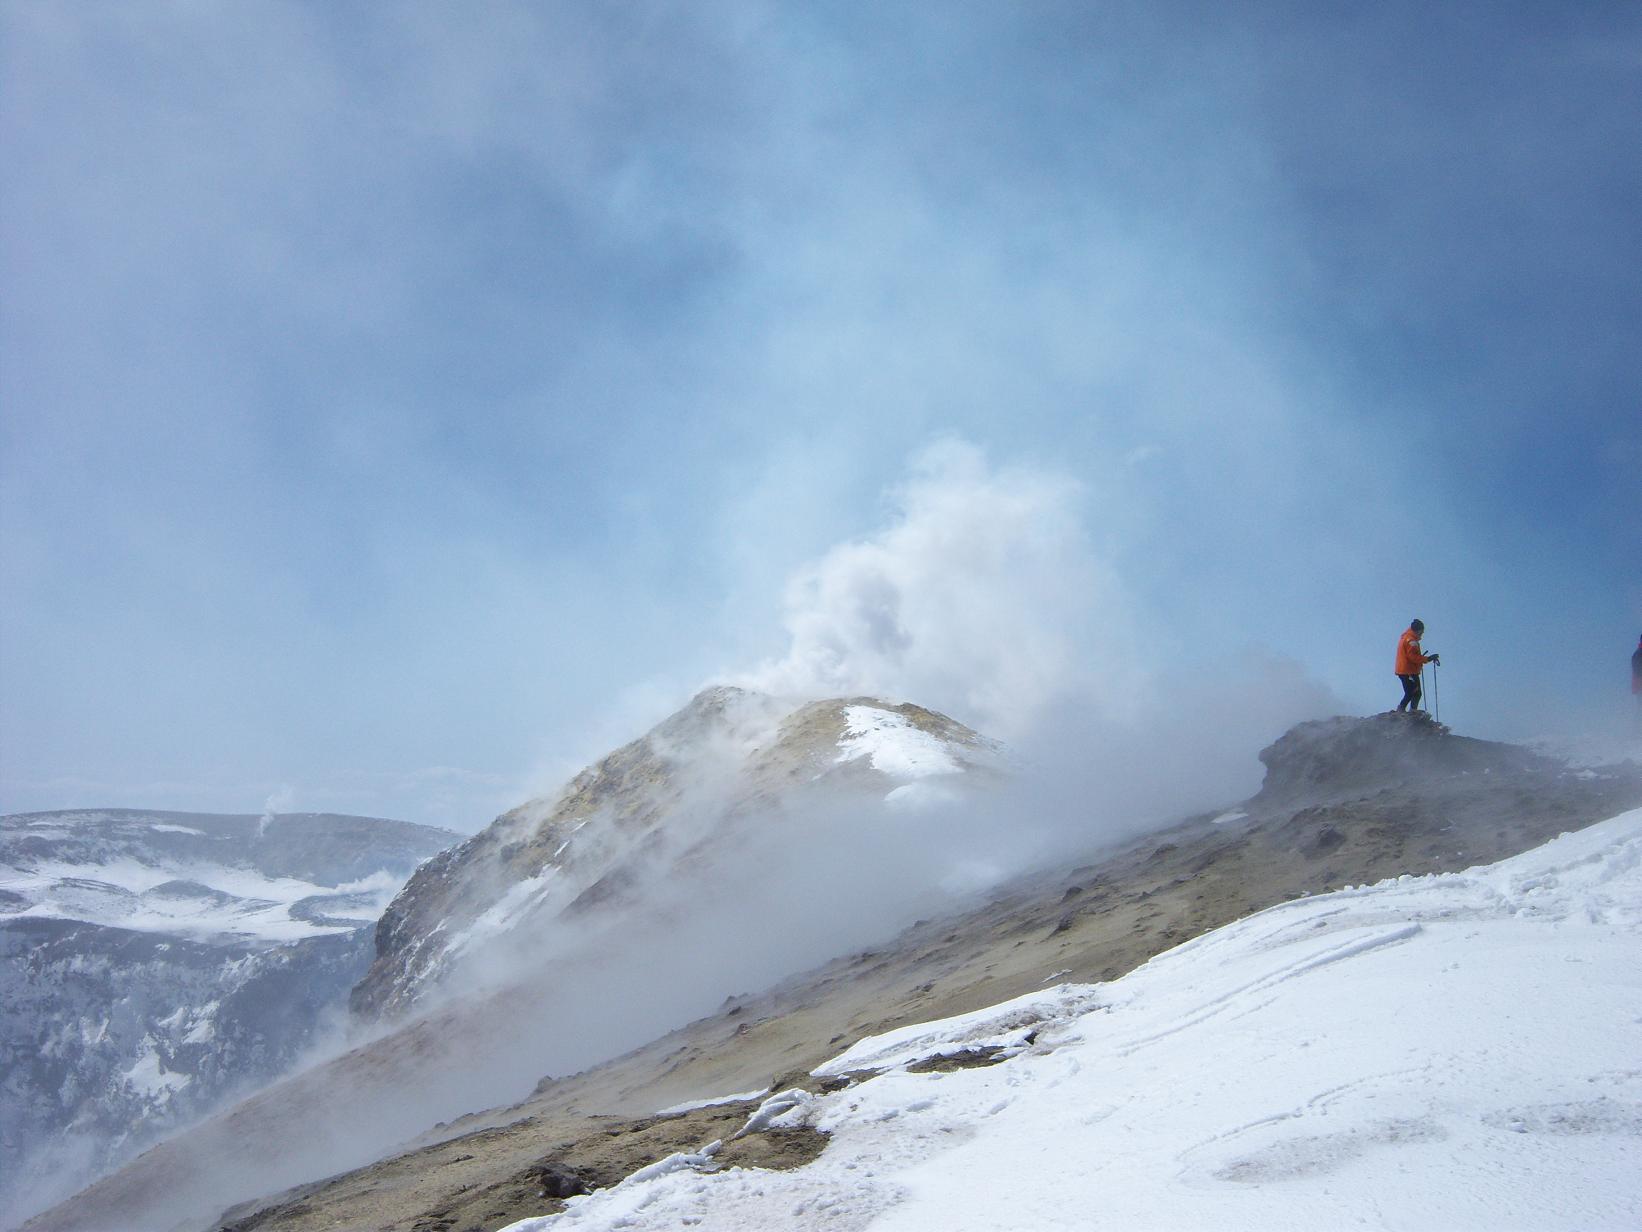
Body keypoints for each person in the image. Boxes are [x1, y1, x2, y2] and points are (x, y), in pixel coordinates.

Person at [1394, 619, 1439, 713]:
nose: (1422, 633)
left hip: (1405, 670)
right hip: (1408, 670)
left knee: (1413, 692)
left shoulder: (1406, 637)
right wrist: (1428, 659)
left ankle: (1407, 710)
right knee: (1413, 692)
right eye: (1422, 631)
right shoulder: (1411, 641)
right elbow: (1413, 657)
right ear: (1418, 630)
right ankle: (1407, 711)